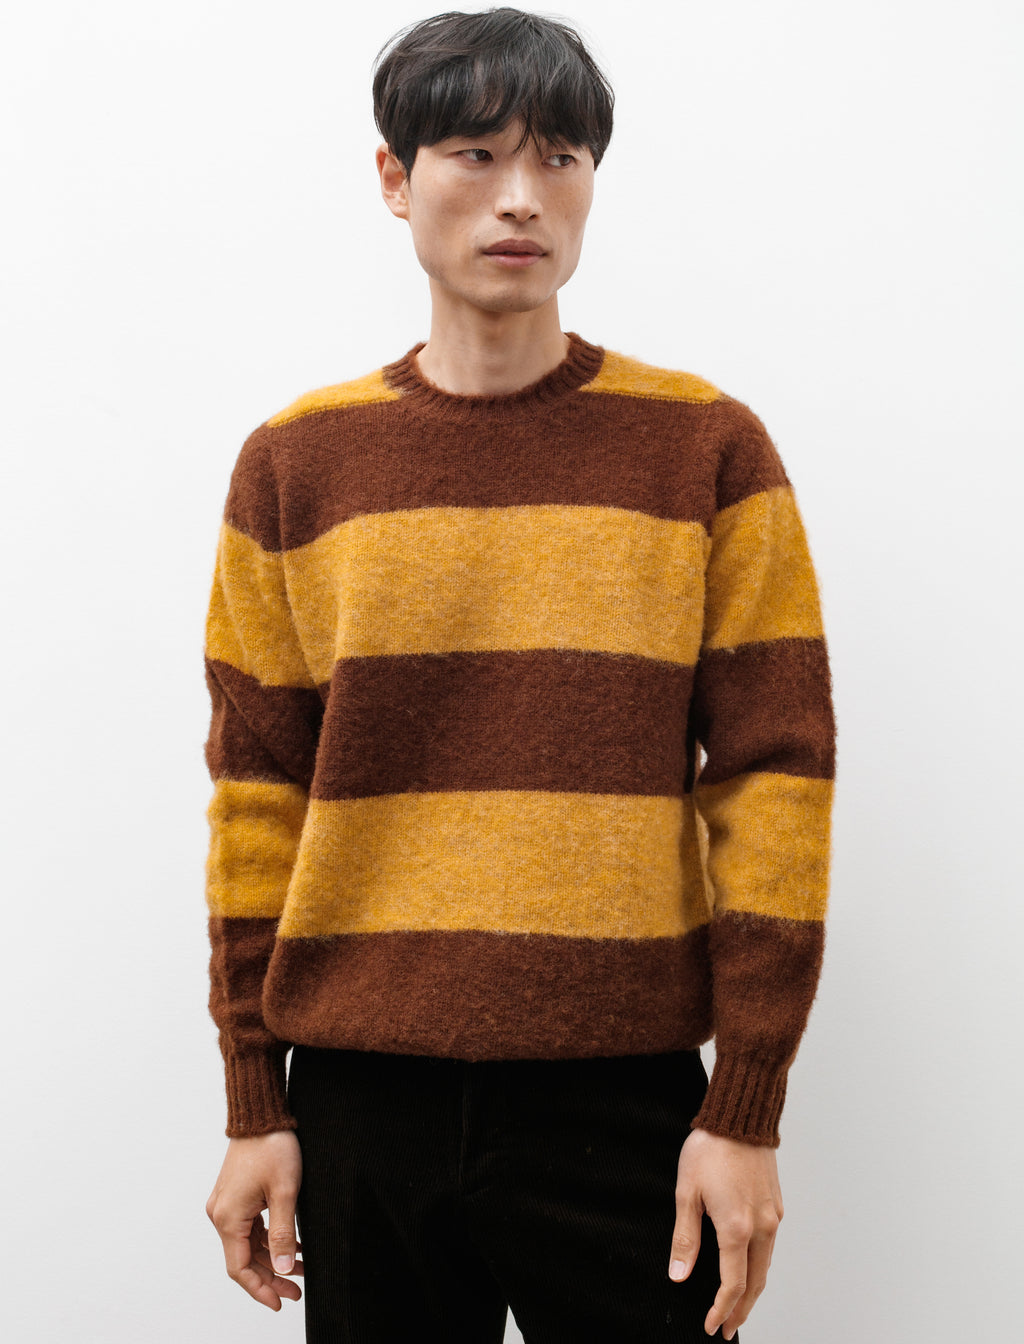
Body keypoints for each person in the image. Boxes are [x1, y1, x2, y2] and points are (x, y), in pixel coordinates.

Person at [201, 8, 836, 1342]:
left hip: (622, 1097)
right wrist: (254, 1099)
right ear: (396, 178)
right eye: (475, 154)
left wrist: (746, 1106)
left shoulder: (706, 452)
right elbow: (257, 794)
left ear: (593, 181)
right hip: (363, 1095)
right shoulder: (295, 467)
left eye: (558, 158)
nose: (519, 197)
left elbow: (776, 778)